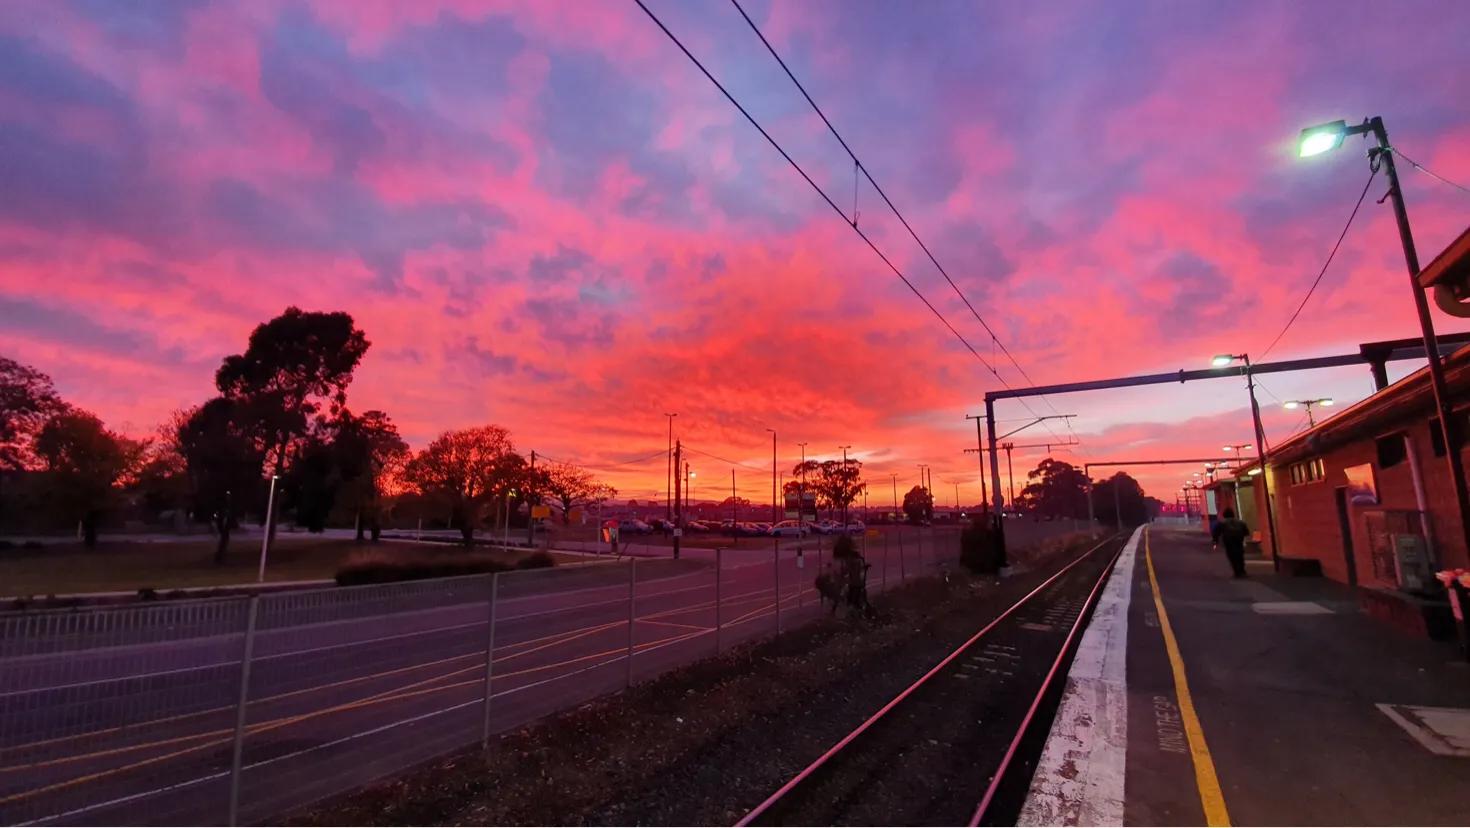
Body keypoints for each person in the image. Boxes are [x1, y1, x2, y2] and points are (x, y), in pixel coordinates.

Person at [1211, 507, 1250, 578]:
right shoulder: (1240, 522)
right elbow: (1246, 532)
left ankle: (1237, 571)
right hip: (1238, 540)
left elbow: (1216, 533)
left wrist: (1215, 541)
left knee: (1232, 556)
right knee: (1240, 555)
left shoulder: (1222, 523)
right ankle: (1242, 570)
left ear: (1224, 515)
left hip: (1228, 541)